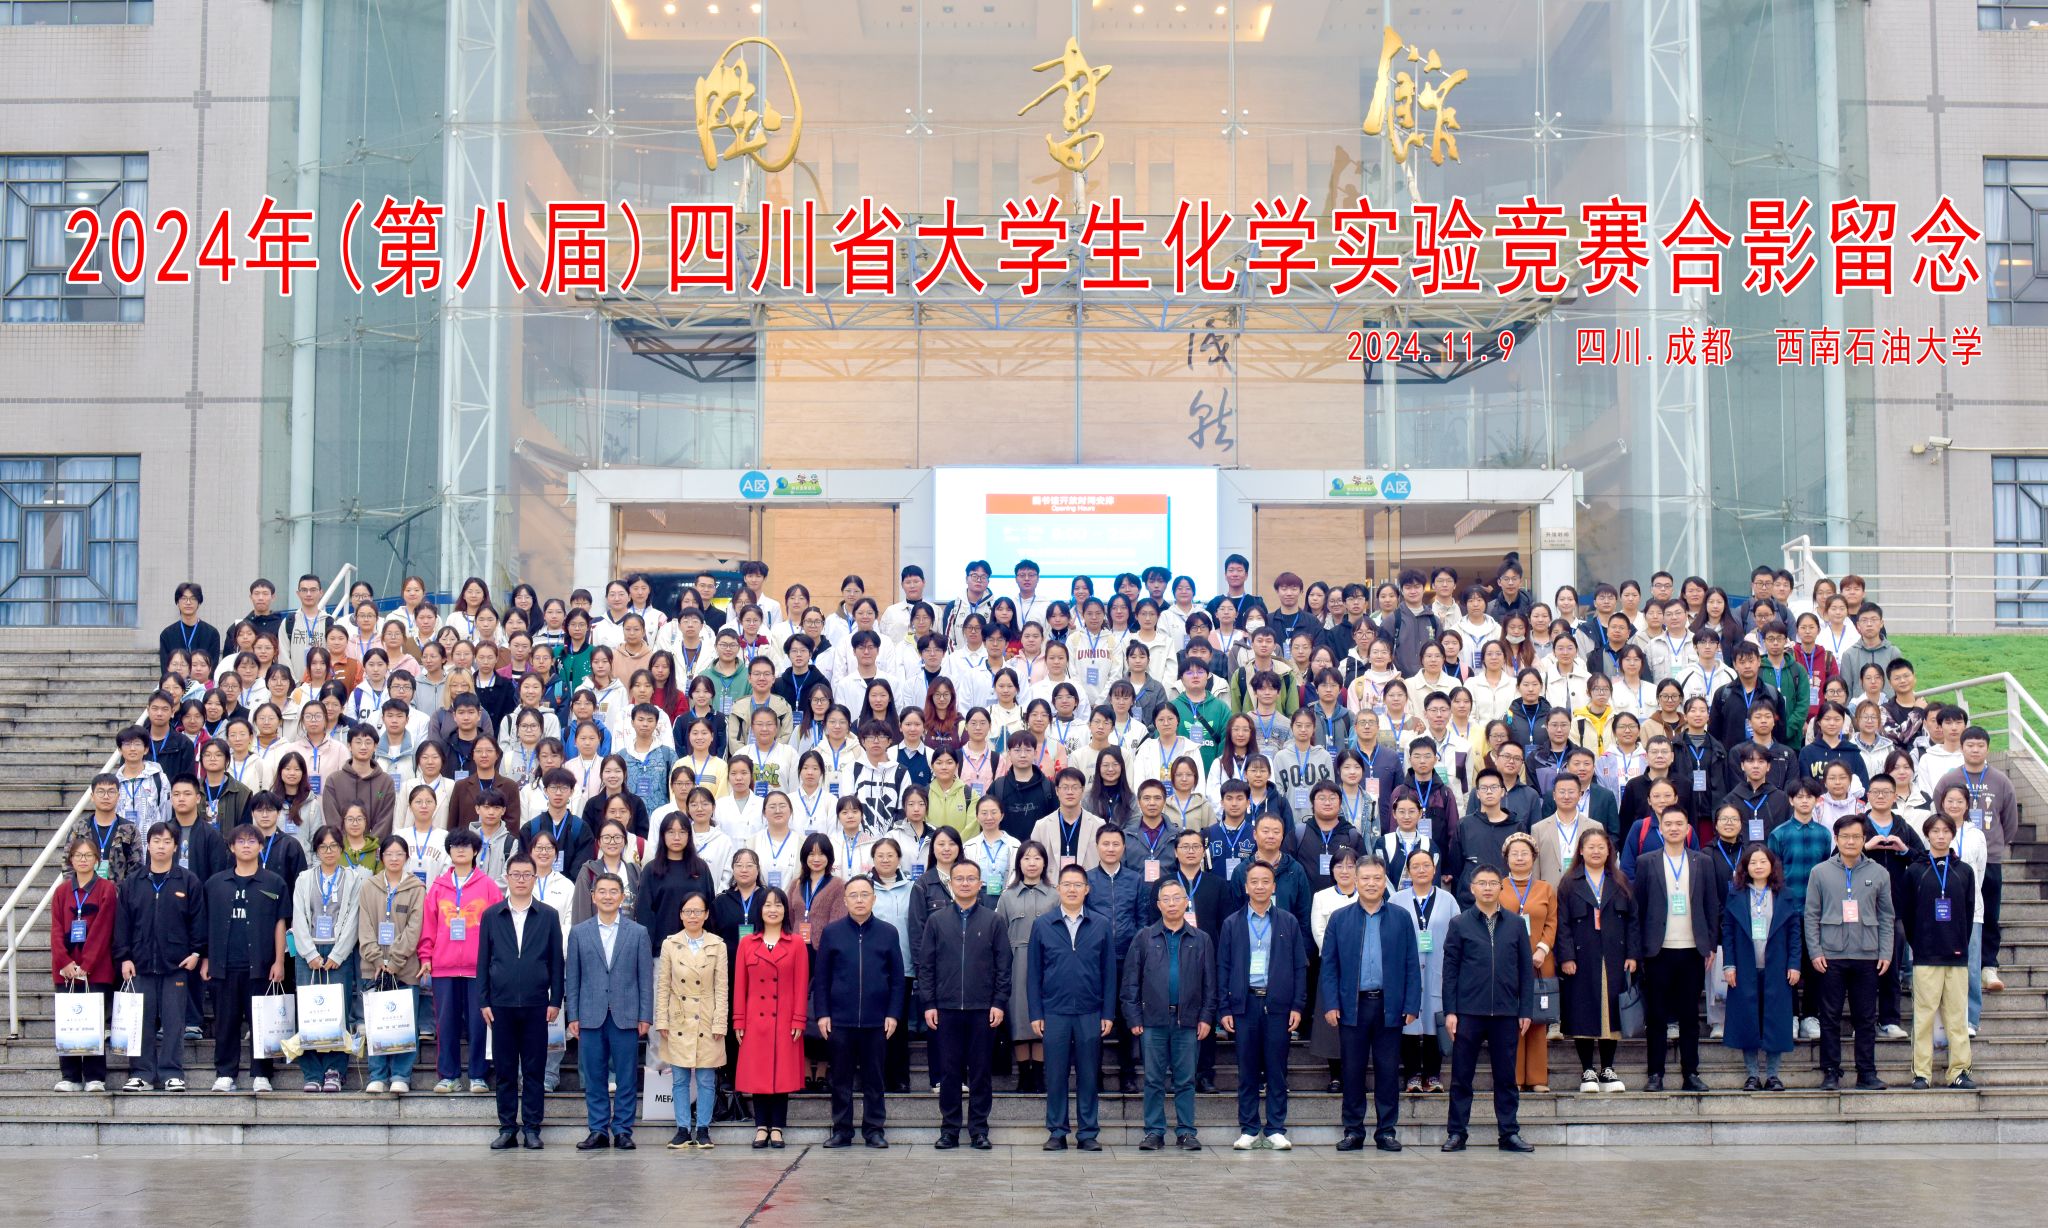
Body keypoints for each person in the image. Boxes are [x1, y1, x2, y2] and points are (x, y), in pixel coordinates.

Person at [1318, 858, 1422, 1152]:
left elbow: (1411, 963)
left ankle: (1386, 1131)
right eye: (1365, 878)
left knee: (1388, 1071)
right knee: (1352, 1071)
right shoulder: (1340, 918)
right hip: (1353, 1005)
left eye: (1377, 878)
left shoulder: (1401, 917)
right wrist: (1331, 1003)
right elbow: (1329, 966)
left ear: (1384, 880)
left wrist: (1411, 1003)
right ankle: (1353, 1130)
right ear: (1355, 880)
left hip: (1390, 1006)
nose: (1371, 884)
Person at [1440, 867, 1537, 1152]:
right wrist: (1450, 1011)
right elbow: (1450, 971)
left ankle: (1509, 1133)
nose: (1487, 888)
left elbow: (1526, 971)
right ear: (1472, 888)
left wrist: (1525, 1010)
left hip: (1506, 1012)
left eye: (1493, 883)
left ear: (1500, 888)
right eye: (1481, 883)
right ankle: (1457, 1133)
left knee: (1506, 1077)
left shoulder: (1516, 924)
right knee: (1461, 1077)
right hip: (1468, 1012)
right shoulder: (1459, 924)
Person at [917, 858, 1009, 1149]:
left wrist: (999, 1002)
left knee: (981, 1072)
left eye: (971, 879)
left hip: (983, 1009)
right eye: (959, 878)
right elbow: (926, 966)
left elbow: (1003, 966)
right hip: (945, 1009)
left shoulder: (994, 921)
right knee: (949, 1072)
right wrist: (929, 1003)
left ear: (980, 884)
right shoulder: (937, 921)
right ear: (951, 883)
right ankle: (950, 1130)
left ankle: (979, 1130)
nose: (965, 883)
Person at [477, 852, 567, 1150]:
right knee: (504, 1070)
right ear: (506, 877)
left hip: (536, 1004)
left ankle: (531, 1128)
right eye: (515, 874)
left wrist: (555, 1000)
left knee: (533, 1069)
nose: (520, 880)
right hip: (500, 1005)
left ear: (534, 878)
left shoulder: (548, 915)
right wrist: (484, 1000)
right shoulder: (492, 915)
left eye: (526, 875)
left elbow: (556, 961)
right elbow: (483, 960)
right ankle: (507, 1128)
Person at [1027, 863, 1118, 1152]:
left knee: (1089, 1074)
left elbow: (1109, 973)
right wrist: (1036, 1013)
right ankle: (1057, 1131)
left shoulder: (1100, 924)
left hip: (1090, 1011)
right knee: (1055, 1075)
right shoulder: (1043, 924)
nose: (1072, 889)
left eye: (1078, 885)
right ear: (1058, 889)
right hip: (1054, 1011)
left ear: (1087, 890)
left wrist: (1108, 1012)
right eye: (1066, 884)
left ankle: (1088, 1133)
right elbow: (1033, 973)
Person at [1218, 860, 1308, 1151]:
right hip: (1244, 1004)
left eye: (1265, 881)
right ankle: (1249, 1128)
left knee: (1276, 1069)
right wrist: (1224, 1008)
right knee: (1246, 1068)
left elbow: (1299, 967)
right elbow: (1223, 967)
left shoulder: (1287, 922)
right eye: (1254, 882)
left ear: (1274, 886)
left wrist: (1297, 1005)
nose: (1259, 886)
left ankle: (1275, 1128)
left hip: (1277, 1005)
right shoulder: (1232, 923)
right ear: (1246, 887)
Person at [1630, 806, 1720, 1091]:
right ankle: (1655, 1073)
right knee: (1656, 1015)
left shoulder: (1702, 861)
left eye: (1679, 823)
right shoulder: (1646, 862)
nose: (1673, 828)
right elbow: (1638, 908)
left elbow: (1711, 904)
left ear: (1688, 828)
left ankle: (1690, 1073)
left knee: (1689, 1016)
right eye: (1667, 824)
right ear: (1660, 828)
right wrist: (1638, 950)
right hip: (1658, 949)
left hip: (1693, 949)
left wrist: (1710, 944)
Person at [1122, 878, 1215, 1152]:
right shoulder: (1144, 937)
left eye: (1177, 898)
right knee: (1153, 1079)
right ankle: (1154, 1131)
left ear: (1186, 902)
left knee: (1185, 1079)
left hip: (1188, 1020)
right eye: (1166, 899)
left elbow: (1210, 984)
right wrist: (1133, 1017)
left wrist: (1206, 1016)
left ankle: (1186, 1131)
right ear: (1158, 904)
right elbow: (1130, 982)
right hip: (1153, 1020)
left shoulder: (1201, 939)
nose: (1172, 904)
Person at [1805, 814, 1896, 1091]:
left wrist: (1886, 952)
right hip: (1830, 955)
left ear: (1864, 839)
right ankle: (1831, 1071)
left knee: (1865, 1018)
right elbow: (1811, 915)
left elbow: (1886, 916)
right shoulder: (1820, 872)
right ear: (1836, 839)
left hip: (1867, 954)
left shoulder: (1879, 873)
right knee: (1829, 1016)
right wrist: (1815, 951)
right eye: (1845, 836)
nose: (1851, 841)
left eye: (1856, 836)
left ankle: (1866, 1072)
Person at [564, 871, 654, 1150]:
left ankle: (623, 1130)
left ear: (622, 896)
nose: (607, 896)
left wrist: (645, 1015)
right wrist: (573, 1015)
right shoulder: (579, 932)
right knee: (594, 1076)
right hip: (590, 1014)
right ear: (593, 896)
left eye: (613, 891)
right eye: (601, 891)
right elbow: (573, 977)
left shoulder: (637, 932)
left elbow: (645, 978)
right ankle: (598, 1129)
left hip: (626, 1014)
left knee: (626, 1076)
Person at [114, 822, 205, 1092]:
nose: (161, 846)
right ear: (149, 845)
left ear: (175, 846)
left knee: (174, 1021)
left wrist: (197, 952)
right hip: (140, 964)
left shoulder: (187, 881)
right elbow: (122, 924)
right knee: (141, 1020)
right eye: (156, 841)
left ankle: (171, 1072)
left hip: (176, 964)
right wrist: (124, 957)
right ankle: (141, 1072)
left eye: (167, 841)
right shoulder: (133, 882)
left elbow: (198, 920)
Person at [815, 875, 904, 1149]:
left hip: (877, 1020)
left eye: (865, 894)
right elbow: (822, 978)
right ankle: (842, 1130)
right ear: (845, 900)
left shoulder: (888, 933)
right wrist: (822, 1014)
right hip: (840, 1020)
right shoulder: (832, 932)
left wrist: (893, 1014)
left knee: (874, 1078)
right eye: (853, 895)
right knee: (841, 1078)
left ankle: (874, 1130)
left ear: (874, 898)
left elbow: (897, 979)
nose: (859, 900)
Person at [199, 824, 288, 1093]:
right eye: (240, 841)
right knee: (225, 1023)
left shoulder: (274, 883)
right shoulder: (214, 884)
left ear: (261, 846)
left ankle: (262, 1074)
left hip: (261, 965)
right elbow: (206, 924)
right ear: (231, 847)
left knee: (261, 1022)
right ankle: (225, 1074)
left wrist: (279, 961)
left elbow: (280, 923)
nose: (246, 845)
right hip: (223, 965)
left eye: (252, 841)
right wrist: (205, 959)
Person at [419, 828, 504, 1093]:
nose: (460, 850)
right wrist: (425, 956)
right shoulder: (438, 887)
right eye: (455, 846)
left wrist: (495, 961)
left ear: (475, 851)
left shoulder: (488, 886)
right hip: (443, 967)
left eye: (466, 846)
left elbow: (498, 927)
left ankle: (478, 1075)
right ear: (449, 851)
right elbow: (429, 925)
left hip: (478, 968)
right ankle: (449, 1076)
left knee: (479, 1023)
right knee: (446, 1024)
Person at [1555, 827, 1637, 1093]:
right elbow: (1562, 923)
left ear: (1609, 851)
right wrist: (1566, 956)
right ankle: (1588, 1069)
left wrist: (1632, 954)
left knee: (1611, 1011)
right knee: (1583, 1009)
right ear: (1581, 850)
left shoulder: (1620, 881)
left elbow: (1633, 922)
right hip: (1582, 956)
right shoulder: (1569, 883)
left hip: (1614, 955)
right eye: (1590, 847)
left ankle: (1608, 1068)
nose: (1596, 851)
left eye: (1601, 847)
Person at [292, 827, 366, 1092]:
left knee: (338, 1012)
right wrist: (310, 953)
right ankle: (312, 1072)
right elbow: (298, 916)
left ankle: (335, 1070)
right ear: (316, 850)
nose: (329, 851)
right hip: (308, 952)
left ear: (341, 849)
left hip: (339, 953)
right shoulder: (304, 878)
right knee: (309, 1012)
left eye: (334, 846)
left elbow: (354, 916)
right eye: (323, 847)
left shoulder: (352, 879)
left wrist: (338, 953)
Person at [1904, 811, 1975, 1089]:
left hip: (1956, 954)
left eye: (1946, 831)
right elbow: (1908, 914)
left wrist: (1959, 944)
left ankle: (1959, 1071)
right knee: (1923, 1017)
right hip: (1926, 955)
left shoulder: (1964, 871)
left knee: (1957, 1017)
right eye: (1935, 831)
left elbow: (1968, 912)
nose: (1941, 836)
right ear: (1927, 835)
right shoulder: (1915, 871)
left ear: (1952, 835)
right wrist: (1920, 944)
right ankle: (1922, 1073)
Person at [734, 887, 808, 1149]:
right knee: (758, 1073)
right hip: (755, 1019)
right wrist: (739, 1020)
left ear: (786, 910)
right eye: (767, 905)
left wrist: (799, 1019)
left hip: (785, 1018)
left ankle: (777, 1127)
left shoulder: (796, 943)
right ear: (760, 910)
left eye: (778, 905)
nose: (773, 910)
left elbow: (801, 984)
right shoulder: (747, 943)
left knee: (782, 1073)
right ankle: (761, 1126)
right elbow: (740, 985)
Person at [1721, 843, 1800, 1090]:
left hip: (1777, 967)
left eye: (1763, 862)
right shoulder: (1736, 895)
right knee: (1748, 1021)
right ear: (1745, 867)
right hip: (1745, 967)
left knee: (1775, 1021)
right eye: (1752, 862)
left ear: (1772, 865)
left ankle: (1773, 1075)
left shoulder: (1785, 895)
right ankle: (1753, 1075)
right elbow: (1728, 933)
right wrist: (1728, 964)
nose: (1758, 866)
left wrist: (1795, 964)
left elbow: (1794, 933)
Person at [654, 890, 727, 1149]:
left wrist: (720, 1021)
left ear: (706, 915)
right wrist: (661, 1019)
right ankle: (683, 1129)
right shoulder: (670, 944)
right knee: (680, 1079)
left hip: (707, 1016)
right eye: (688, 911)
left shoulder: (717, 945)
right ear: (681, 915)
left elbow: (721, 987)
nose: (692, 916)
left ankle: (703, 1128)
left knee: (706, 1078)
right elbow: (663, 985)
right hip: (679, 1017)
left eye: (698, 911)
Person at [358, 834, 425, 1094]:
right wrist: (376, 958)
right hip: (373, 967)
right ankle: (377, 1075)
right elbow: (364, 926)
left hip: (405, 968)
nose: (394, 858)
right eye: (389, 854)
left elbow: (415, 928)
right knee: (377, 1022)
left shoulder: (417, 888)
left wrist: (395, 960)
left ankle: (401, 1075)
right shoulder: (369, 886)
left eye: (399, 854)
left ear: (407, 857)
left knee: (404, 1022)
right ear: (381, 856)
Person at [51, 837, 119, 1092]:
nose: (83, 859)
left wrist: (87, 964)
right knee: (69, 1021)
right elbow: (56, 930)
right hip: (66, 971)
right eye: (78, 855)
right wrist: (65, 962)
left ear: (97, 860)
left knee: (93, 1022)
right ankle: (70, 1076)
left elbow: (103, 930)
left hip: (96, 970)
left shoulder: (106, 889)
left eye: (88, 855)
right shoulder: (61, 892)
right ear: (71, 860)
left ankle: (94, 1077)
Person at [1391, 846, 1457, 1093]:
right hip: (1406, 970)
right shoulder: (1396, 900)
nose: (1421, 870)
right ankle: (1412, 1075)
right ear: (1408, 871)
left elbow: (1457, 935)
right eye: (1415, 866)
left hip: (1438, 968)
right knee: (1409, 1022)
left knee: (1433, 1019)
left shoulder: (1448, 900)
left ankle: (1432, 1074)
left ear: (1434, 868)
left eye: (1426, 865)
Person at [1496, 832, 1558, 1092]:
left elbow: (1552, 922)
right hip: (1507, 962)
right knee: (1512, 1019)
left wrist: (1542, 949)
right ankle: (1514, 1078)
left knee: (1537, 1019)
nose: (1520, 858)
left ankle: (1537, 1078)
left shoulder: (1545, 888)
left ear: (1533, 858)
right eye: (1515, 854)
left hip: (1539, 961)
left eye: (1525, 853)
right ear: (1506, 858)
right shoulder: (1498, 887)